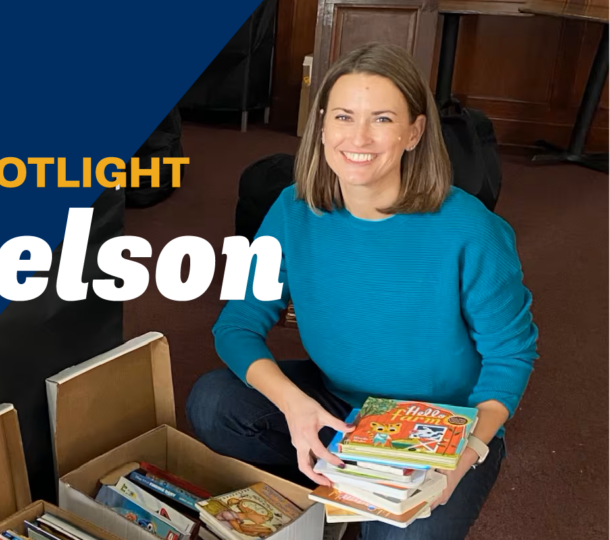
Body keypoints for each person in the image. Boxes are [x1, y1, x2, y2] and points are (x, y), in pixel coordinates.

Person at [185, 42, 539, 540]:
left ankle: (356, 493)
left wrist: (468, 452)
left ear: (414, 132)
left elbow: (511, 356)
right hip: (338, 405)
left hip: (442, 427)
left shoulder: (472, 230)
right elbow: (237, 324)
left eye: (383, 119)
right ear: (323, 125)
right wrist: (293, 404)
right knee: (213, 401)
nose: (359, 137)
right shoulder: (291, 210)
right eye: (345, 116)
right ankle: (333, 481)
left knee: (406, 533)